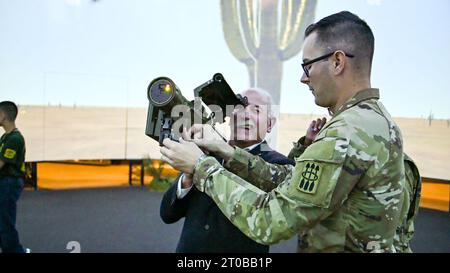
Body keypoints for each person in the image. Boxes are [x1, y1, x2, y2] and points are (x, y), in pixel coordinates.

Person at [160, 11, 406, 252]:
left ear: (337, 62)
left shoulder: (346, 133)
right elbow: (290, 180)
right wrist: (223, 150)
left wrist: (201, 166)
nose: (303, 78)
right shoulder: (371, 122)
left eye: (307, 66)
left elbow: (271, 220)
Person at [159, 88, 294, 253]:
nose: (246, 115)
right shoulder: (206, 153)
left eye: (256, 110)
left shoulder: (278, 165)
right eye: (240, 108)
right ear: (229, 119)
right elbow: (167, 214)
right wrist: (187, 177)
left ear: (270, 124)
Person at [0, 101, 27, 253]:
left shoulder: (15, 139)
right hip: (4, 182)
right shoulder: (5, 137)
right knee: (2, 220)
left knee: (5, 221)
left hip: (9, 183)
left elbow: (1, 163)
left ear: (3, 115)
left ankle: (16, 251)